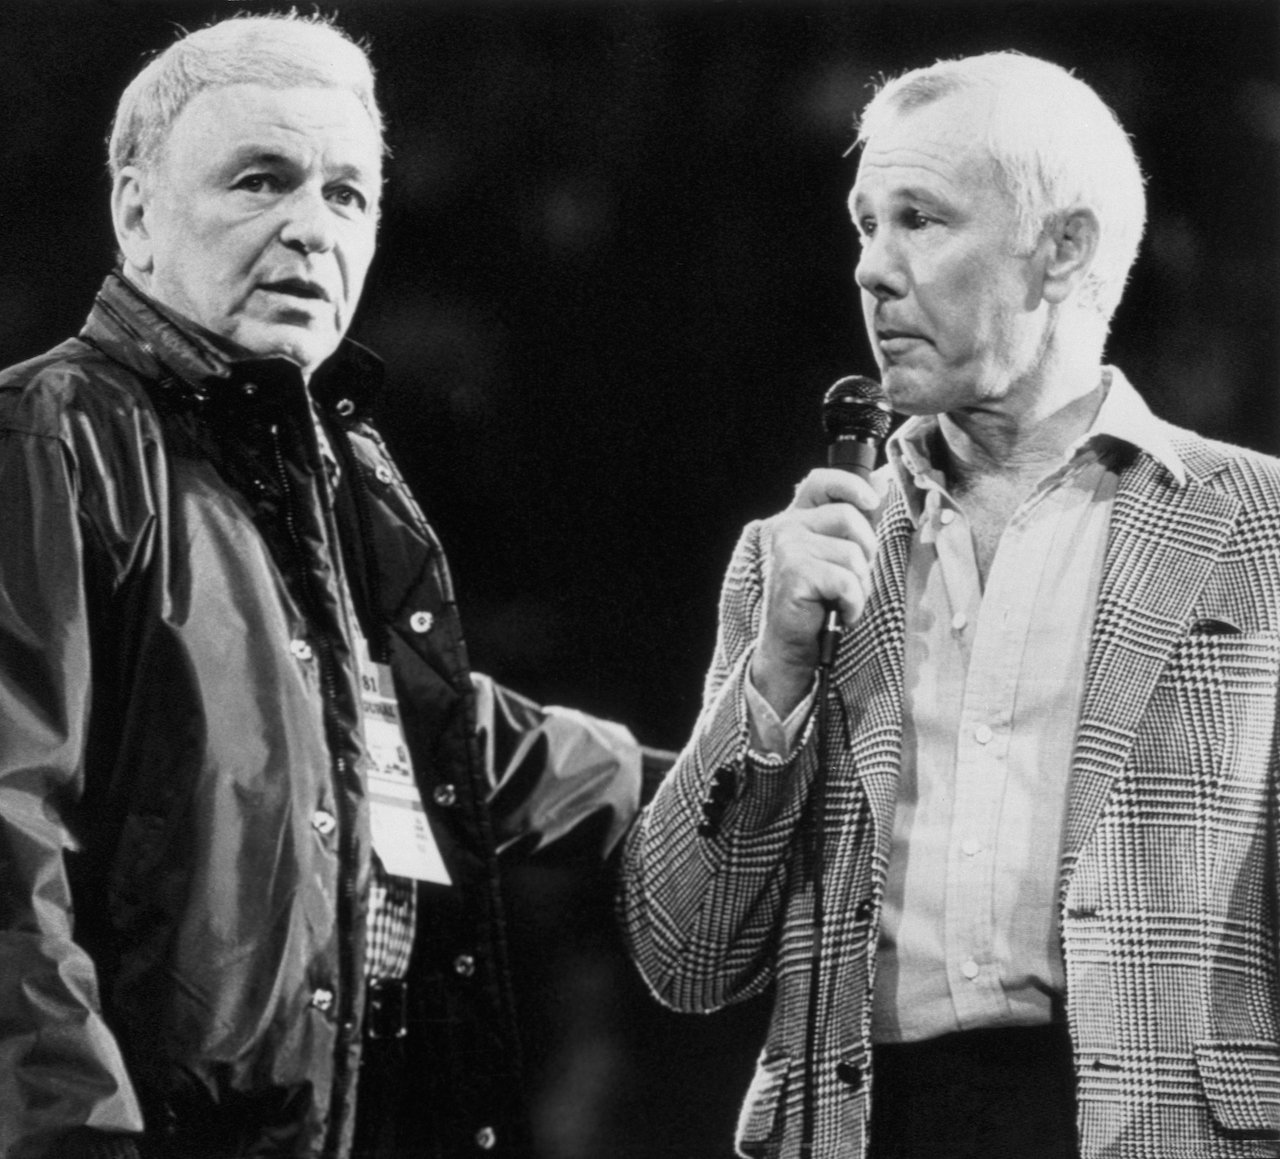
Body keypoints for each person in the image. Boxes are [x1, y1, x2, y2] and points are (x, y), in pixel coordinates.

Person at [0, 13, 648, 1159]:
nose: (311, 228)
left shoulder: (334, 476)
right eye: (262, 181)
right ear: (135, 213)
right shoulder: (48, 438)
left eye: (347, 196)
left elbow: (424, 749)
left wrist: (701, 784)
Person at [622, 50, 1280, 1159]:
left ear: (1060, 249)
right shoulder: (796, 561)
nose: (869, 271)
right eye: (862, 224)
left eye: (917, 220)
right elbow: (682, 956)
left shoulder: (1255, 528)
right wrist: (772, 678)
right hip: (867, 1125)